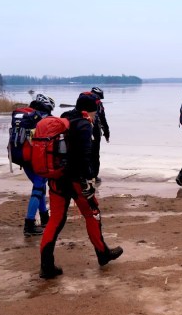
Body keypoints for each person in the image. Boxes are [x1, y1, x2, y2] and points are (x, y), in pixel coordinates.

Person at [39, 92, 123, 279]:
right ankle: (103, 254)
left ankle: (46, 266)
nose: (96, 114)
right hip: (77, 181)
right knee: (93, 214)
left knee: (55, 221)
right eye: (95, 110)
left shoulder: (65, 117)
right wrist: (89, 180)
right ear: (90, 110)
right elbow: (85, 157)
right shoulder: (85, 125)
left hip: (56, 179)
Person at [22, 93, 55, 236]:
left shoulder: (27, 117)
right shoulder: (44, 119)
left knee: (40, 188)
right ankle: (29, 224)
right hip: (36, 159)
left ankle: (44, 217)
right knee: (37, 189)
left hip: (23, 157)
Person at [87, 87, 110, 183]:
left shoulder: (83, 101)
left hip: (83, 130)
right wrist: (107, 133)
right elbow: (103, 119)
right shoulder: (98, 103)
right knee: (95, 154)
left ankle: (85, 175)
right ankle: (94, 177)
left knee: (85, 153)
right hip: (94, 130)